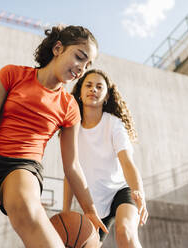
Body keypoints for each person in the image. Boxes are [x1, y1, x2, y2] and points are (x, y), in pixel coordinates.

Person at [0, 25, 108, 248]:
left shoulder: (69, 106)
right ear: (58, 48)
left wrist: (90, 209)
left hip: (23, 167)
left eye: (87, 64)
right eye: (80, 57)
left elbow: (72, 166)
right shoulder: (12, 74)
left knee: (25, 208)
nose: (82, 68)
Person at [63, 69, 148, 248]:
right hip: (93, 202)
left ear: (107, 95)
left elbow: (127, 163)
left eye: (99, 86)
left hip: (120, 190)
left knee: (125, 231)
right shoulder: (72, 129)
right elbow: (70, 172)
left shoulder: (114, 124)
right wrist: (65, 211)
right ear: (80, 92)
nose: (93, 89)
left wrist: (139, 193)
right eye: (88, 85)